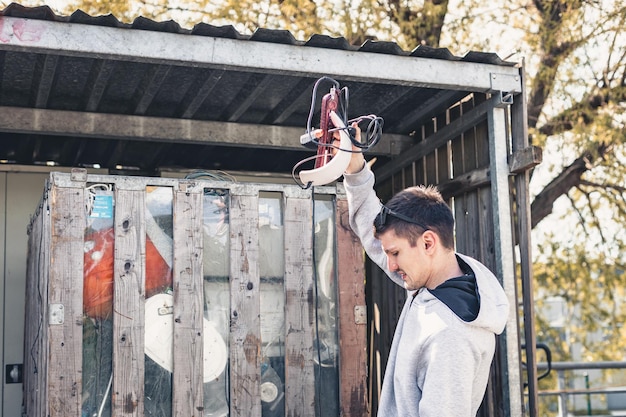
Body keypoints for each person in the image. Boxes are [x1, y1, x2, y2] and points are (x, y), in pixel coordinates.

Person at [339, 124, 510, 417]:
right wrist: (355, 165)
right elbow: (375, 235)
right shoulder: (439, 278)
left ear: (428, 242)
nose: (389, 264)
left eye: (395, 254)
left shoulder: (450, 335)